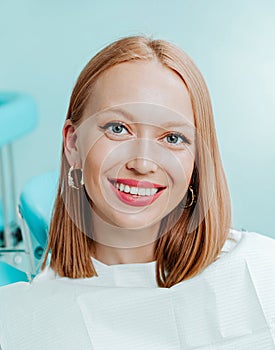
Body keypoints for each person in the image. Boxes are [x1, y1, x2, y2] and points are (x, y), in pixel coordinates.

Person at [0, 35, 275, 350]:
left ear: (197, 161)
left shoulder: (263, 273)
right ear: (73, 144)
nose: (143, 163)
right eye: (118, 129)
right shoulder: (15, 323)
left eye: (172, 138)